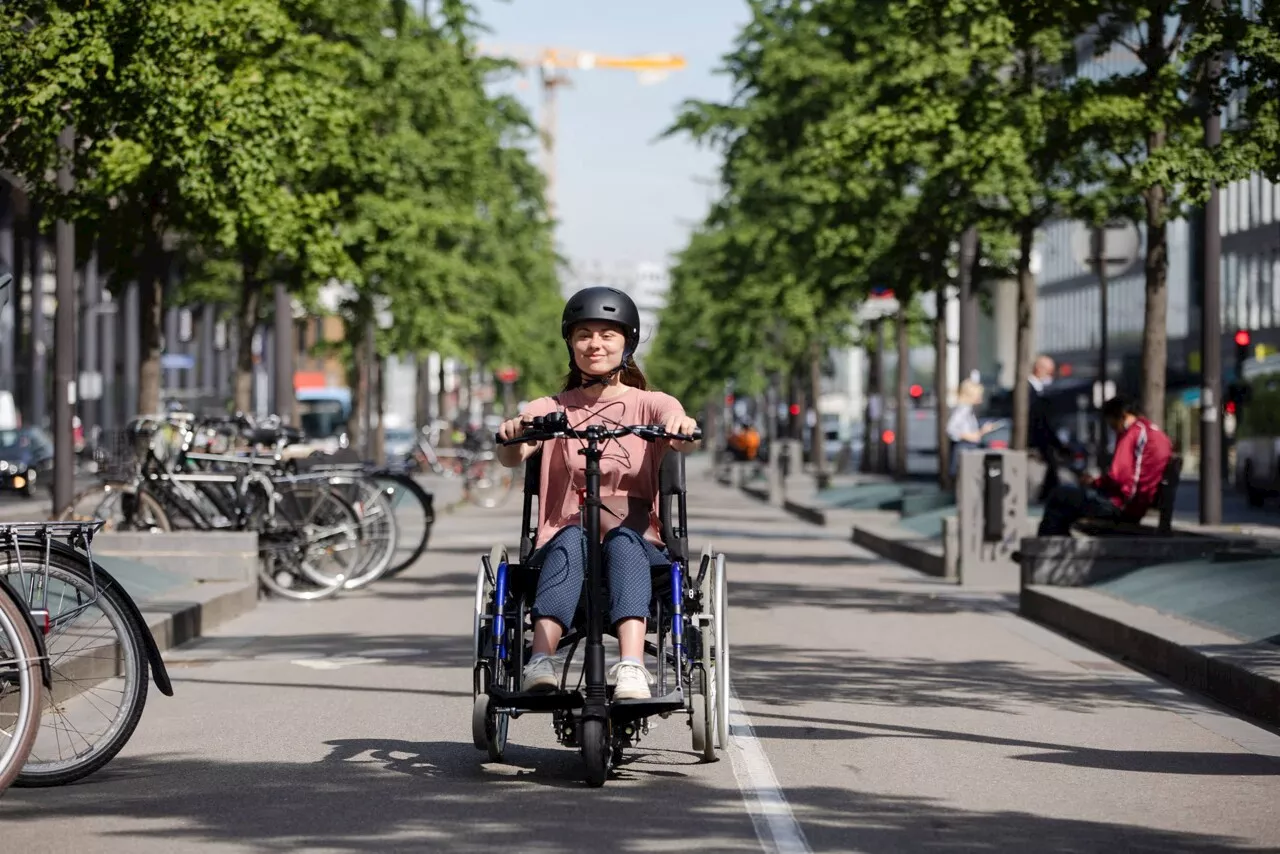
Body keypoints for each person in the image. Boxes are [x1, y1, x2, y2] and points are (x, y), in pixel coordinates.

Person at [496, 286, 699, 700]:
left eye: (607, 334)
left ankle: (631, 667)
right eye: (584, 334)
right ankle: (540, 661)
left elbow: (678, 429)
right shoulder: (552, 405)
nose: (595, 344)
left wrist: (681, 425)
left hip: (638, 536)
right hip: (567, 531)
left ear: (627, 342)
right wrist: (514, 433)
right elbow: (514, 454)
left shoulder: (650, 403)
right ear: (570, 342)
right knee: (570, 539)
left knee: (623, 540)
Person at [1037, 394, 1172, 536]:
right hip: (1136, 505)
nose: (1112, 428)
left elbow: (1119, 477)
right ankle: (1054, 544)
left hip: (1122, 507)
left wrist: (1094, 482)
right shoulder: (1150, 430)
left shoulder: (1132, 433)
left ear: (1122, 416)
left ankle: (1043, 547)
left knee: (1059, 495)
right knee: (1066, 503)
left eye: (1112, 423)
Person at [1029, 354, 1067, 502]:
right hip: (1037, 439)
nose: (1051, 376)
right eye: (1049, 372)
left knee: (1052, 469)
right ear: (1039, 369)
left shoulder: (1039, 391)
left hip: (1044, 439)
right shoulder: (1029, 390)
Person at [946, 379, 999, 481]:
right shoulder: (963, 410)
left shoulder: (967, 410)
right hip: (964, 448)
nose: (981, 397)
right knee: (966, 482)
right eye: (978, 394)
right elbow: (951, 429)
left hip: (967, 448)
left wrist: (981, 432)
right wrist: (972, 436)